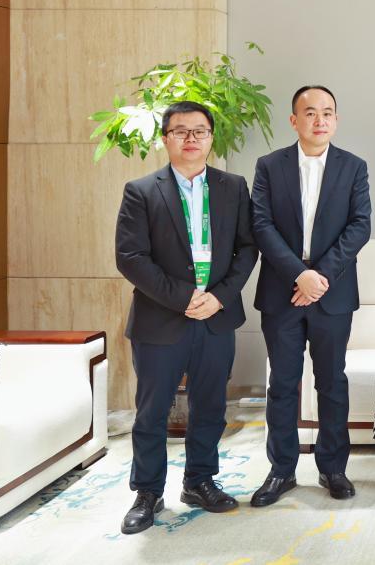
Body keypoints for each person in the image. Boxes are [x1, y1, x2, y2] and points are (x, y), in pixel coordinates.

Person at [114, 101, 259, 534]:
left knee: (210, 406)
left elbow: (247, 248)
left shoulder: (233, 187)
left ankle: (199, 481)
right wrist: (185, 298)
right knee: (152, 411)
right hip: (161, 319)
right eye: (181, 131)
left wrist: (219, 298)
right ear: (166, 139)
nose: (191, 139)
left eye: (200, 131)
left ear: (211, 138)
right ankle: (147, 492)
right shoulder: (141, 191)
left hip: (216, 317)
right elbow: (130, 257)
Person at [249, 86, 371, 507]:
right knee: (282, 384)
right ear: (294, 120)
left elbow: (360, 226)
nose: (320, 120)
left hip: (331, 293)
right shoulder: (269, 166)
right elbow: (261, 224)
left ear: (336, 120)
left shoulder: (353, 167)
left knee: (332, 382)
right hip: (281, 291)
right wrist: (299, 275)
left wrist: (319, 276)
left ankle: (333, 468)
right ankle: (281, 470)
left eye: (328, 113)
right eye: (311, 113)